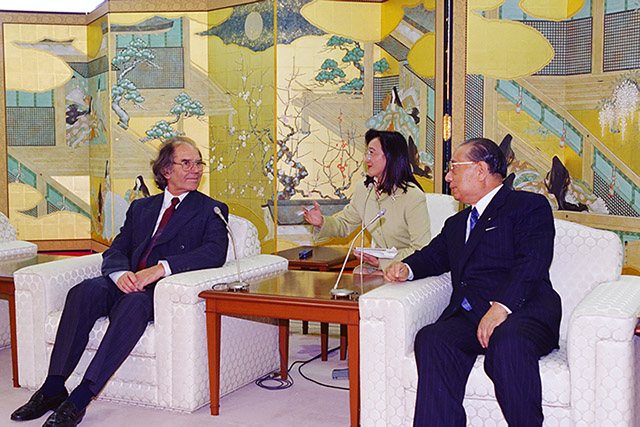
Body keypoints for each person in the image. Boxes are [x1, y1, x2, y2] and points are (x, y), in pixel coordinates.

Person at [11, 137, 229, 427]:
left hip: (159, 290)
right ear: (165, 170)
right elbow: (117, 248)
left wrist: (160, 269)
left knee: (133, 305)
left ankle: (79, 398)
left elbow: (215, 252)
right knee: (82, 292)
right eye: (186, 163)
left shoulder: (210, 209)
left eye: (198, 163)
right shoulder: (142, 208)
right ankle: (52, 388)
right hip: (124, 281)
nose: (196, 169)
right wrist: (118, 273)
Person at [384, 137, 561, 426]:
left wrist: (501, 307)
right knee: (432, 338)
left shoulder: (528, 206)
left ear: (480, 170)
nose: (447, 176)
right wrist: (406, 267)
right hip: (471, 317)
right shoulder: (457, 223)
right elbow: (433, 256)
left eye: (454, 167)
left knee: (507, 342)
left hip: (524, 312)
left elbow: (533, 261)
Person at [302, 129, 431, 273]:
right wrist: (321, 222)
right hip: (377, 264)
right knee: (359, 273)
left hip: (406, 266)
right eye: (367, 153)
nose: (366, 159)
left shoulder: (413, 196)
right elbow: (345, 224)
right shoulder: (364, 188)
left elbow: (421, 249)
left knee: (373, 276)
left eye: (372, 153)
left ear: (390, 156)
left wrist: (382, 262)